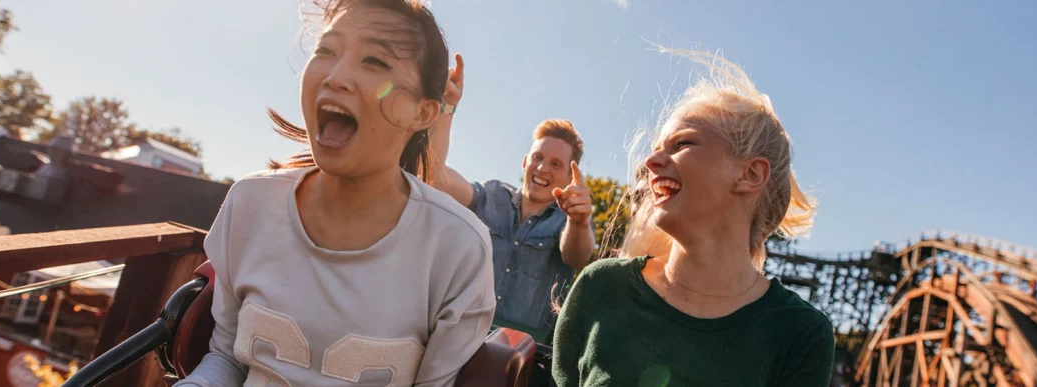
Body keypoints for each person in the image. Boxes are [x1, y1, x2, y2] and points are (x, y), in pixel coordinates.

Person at [175, 1, 495, 385]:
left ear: (424, 113)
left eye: (375, 61)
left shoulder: (460, 247)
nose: (336, 76)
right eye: (326, 51)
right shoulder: (249, 201)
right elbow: (226, 356)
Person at [552, 49, 835, 386]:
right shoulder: (600, 287)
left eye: (682, 143)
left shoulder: (800, 334)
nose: (651, 161)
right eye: (657, 147)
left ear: (750, 174)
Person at [427, 56, 596, 341]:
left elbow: (577, 256)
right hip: (455, 337)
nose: (542, 168)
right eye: (538, 158)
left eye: (556, 164)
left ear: (569, 177)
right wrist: (446, 109)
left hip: (524, 357)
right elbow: (434, 175)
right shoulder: (491, 195)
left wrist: (579, 222)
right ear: (524, 162)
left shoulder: (568, 221)